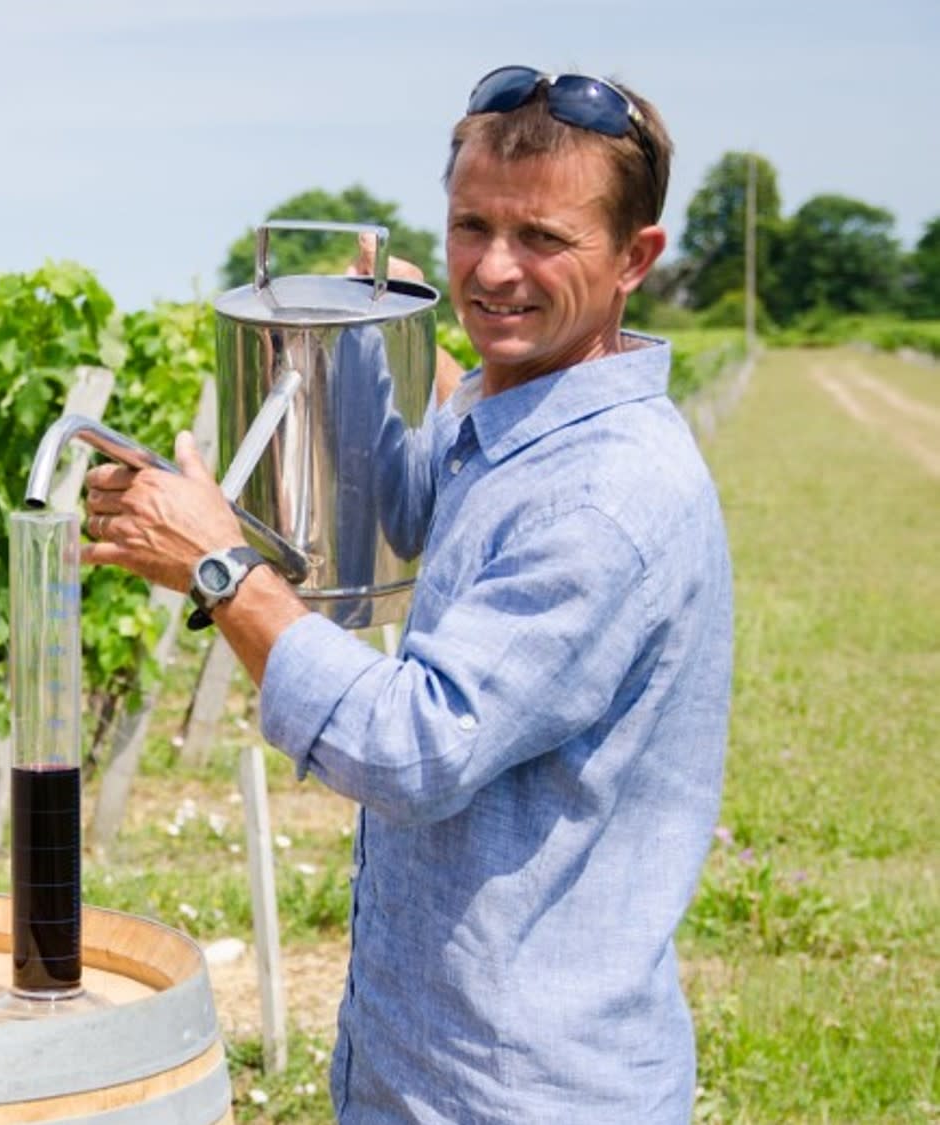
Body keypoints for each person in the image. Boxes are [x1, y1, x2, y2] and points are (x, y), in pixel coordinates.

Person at [83, 64, 733, 1124]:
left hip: (520, 1093)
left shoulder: (609, 496)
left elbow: (415, 748)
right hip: (420, 1058)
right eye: (471, 226)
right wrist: (351, 355)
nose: (494, 269)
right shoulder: (512, 420)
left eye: (544, 239)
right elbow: (393, 509)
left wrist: (218, 568)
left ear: (636, 260)